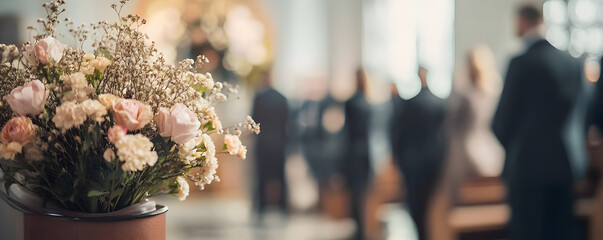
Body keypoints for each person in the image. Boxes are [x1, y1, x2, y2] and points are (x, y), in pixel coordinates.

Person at [492, 5, 585, 240]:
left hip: (527, 168)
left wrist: (517, 149)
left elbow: (502, 122)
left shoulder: (521, 63)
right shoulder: (571, 63)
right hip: (565, 166)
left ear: (522, 22)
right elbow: (578, 116)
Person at [393, 66, 448, 240]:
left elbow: (399, 135)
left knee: (417, 206)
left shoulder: (410, 104)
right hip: (435, 160)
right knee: (431, 205)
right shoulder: (440, 102)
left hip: (414, 162)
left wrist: (399, 160)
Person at [446, 45, 505, 196]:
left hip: (466, 149)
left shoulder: (464, 94)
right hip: (488, 147)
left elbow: (452, 123)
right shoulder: (492, 91)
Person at [251, 69, 289, 217]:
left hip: (263, 144)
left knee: (261, 176)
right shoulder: (282, 98)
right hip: (279, 143)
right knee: (280, 176)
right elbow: (287, 122)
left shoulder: (259, 98)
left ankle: (261, 205)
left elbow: (254, 121)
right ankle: (283, 205)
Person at [342, 68, 372, 240]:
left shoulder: (351, 102)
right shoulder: (367, 103)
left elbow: (347, 131)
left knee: (354, 194)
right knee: (363, 193)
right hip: (366, 152)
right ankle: (361, 230)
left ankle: (357, 230)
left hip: (353, 152)